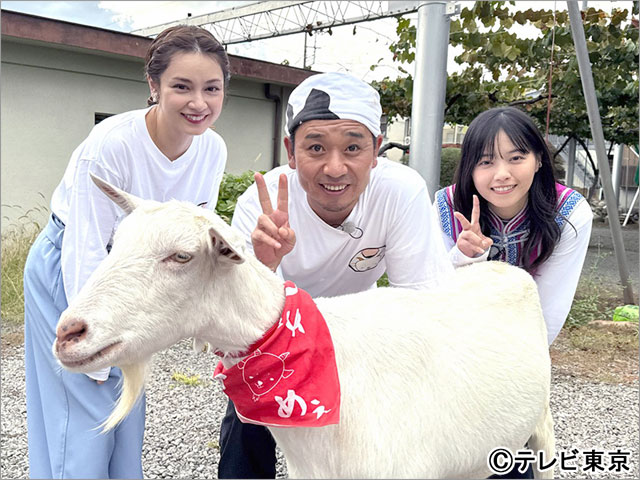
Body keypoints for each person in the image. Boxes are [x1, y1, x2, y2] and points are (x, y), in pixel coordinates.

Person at [217, 71, 455, 478]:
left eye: (352, 147)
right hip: (277, 337)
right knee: (248, 419)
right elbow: (232, 321)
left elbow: (423, 302)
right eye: (315, 147)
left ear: (376, 150)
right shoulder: (261, 203)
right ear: (291, 152)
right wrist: (263, 265)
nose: (334, 167)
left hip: (359, 334)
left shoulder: (400, 191)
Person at [23, 25, 230, 479]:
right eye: (182, 87)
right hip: (76, 266)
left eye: (211, 89)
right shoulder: (113, 143)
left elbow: (192, 235)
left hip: (141, 274)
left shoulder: (212, 149)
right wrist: (93, 337)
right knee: (82, 401)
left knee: (127, 398)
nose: (199, 103)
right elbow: (85, 247)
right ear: (154, 86)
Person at [433, 107, 592, 478]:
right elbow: (438, 297)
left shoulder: (568, 212)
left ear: (538, 160)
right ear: (470, 168)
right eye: (486, 162)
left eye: (516, 157)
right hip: (454, 354)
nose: (501, 174)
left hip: (517, 353)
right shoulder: (446, 205)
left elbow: (547, 313)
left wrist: (510, 373)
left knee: (510, 453)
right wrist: (464, 256)